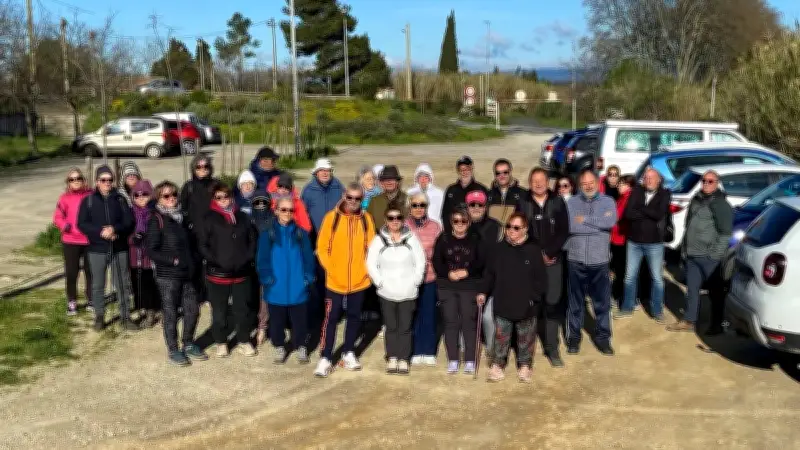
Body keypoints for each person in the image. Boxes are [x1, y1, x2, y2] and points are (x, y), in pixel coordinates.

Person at [314, 183, 377, 377]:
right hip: (335, 281)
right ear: (343, 195)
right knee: (331, 318)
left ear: (362, 199)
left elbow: (372, 248)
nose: (353, 201)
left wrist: (366, 271)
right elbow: (322, 247)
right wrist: (331, 269)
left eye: (357, 198)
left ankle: (348, 352)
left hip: (359, 281)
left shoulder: (366, 219)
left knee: (354, 317)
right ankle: (325, 357)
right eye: (350, 197)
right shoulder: (331, 218)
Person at [478, 213, 547, 383]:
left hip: (526, 305)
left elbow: (541, 279)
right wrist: (483, 292)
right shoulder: (498, 249)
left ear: (525, 229)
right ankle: (498, 365)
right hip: (503, 302)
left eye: (516, 228)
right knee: (501, 337)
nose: (511, 231)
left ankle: (525, 365)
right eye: (508, 226)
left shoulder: (533, 250)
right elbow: (489, 274)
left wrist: (533, 298)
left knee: (526, 338)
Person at [146, 181, 207, 366]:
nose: (171, 198)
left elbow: (193, 244)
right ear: (159, 198)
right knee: (171, 312)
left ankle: (188, 342)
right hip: (168, 276)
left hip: (188, 273)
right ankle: (173, 349)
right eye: (166, 196)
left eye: (174, 194)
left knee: (192, 310)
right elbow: (151, 250)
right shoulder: (157, 219)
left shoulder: (183, 217)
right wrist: (173, 260)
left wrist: (195, 261)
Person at [667, 170, 732, 335]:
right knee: (692, 290)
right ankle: (689, 320)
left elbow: (725, 233)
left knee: (715, 293)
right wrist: (684, 248)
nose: (706, 184)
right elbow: (688, 225)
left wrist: (715, 255)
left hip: (709, 257)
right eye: (704, 180)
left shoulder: (721, 204)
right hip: (692, 255)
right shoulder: (696, 199)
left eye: (710, 181)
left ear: (717, 183)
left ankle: (717, 324)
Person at [198, 182, 258, 358]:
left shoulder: (243, 217)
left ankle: (243, 340)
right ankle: (221, 341)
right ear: (214, 199)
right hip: (218, 273)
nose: (223, 200)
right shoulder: (208, 218)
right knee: (220, 311)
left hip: (241, 272)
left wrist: (247, 258)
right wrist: (216, 261)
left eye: (226, 196)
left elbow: (252, 240)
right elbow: (202, 245)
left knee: (242, 309)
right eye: (219, 197)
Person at [77, 165, 137, 331]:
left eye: (110, 180)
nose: (107, 183)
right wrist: (100, 232)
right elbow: (82, 224)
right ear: (97, 181)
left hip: (119, 247)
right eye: (103, 180)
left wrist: (115, 229)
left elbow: (129, 222)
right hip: (97, 249)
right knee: (98, 284)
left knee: (122, 283)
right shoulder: (88, 201)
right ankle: (99, 316)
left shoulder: (120, 199)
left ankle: (125, 317)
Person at [367, 205, 426, 375]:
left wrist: (415, 281)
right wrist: (380, 282)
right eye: (391, 218)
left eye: (398, 218)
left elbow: (420, 261)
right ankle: (392, 356)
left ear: (403, 220)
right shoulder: (379, 240)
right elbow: (371, 263)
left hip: (407, 292)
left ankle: (403, 358)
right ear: (386, 220)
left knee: (405, 327)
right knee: (391, 326)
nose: (395, 221)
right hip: (387, 292)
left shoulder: (412, 238)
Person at [520, 167, 570, 368]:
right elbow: (520, 231)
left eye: (541, 180)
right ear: (529, 183)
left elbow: (564, 230)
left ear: (548, 182)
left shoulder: (557, 202)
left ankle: (552, 347)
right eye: (534, 181)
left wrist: (549, 253)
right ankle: (526, 349)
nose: (538, 184)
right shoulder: (523, 202)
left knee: (552, 303)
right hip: (531, 264)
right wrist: (536, 255)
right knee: (530, 306)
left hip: (553, 261)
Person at [257, 197, 316, 364]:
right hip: (276, 287)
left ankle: (301, 345)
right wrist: (267, 279)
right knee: (277, 322)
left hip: (298, 287)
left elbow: (308, 259)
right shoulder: (268, 234)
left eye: (291, 210)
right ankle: (279, 346)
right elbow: (262, 260)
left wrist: (307, 278)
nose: (287, 213)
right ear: (276, 211)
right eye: (283, 209)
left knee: (300, 321)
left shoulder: (301, 234)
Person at [565, 169, 617, 355]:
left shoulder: (608, 201)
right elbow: (571, 225)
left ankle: (603, 338)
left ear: (597, 183)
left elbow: (610, 222)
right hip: (576, 259)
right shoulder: (571, 202)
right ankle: (574, 338)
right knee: (575, 303)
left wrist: (585, 219)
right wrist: (597, 224)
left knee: (602, 303)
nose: (588, 186)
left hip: (599, 260)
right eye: (584, 183)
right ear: (579, 185)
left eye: (591, 182)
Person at [432, 208, 485, 375]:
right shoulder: (443, 238)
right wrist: (448, 273)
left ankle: (470, 359)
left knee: (469, 323)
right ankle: (453, 359)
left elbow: (481, 262)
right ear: (451, 222)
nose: (459, 224)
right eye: (456, 221)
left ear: (468, 223)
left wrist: (467, 272)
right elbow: (437, 261)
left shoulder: (476, 239)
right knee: (450, 322)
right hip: (447, 286)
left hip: (469, 286)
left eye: (463, 221)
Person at [616, 169, 671, 321]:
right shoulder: (637, 191)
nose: (648, 180)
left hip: (655, 243)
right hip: (634, 242)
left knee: (657, 278)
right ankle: (627, 307)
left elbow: (659, 214)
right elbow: (628, 214)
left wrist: (640, 208)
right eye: (646, 178)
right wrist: (648, 212)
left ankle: (657, 310)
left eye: (651, 178)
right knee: (630, 277)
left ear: (659, 180)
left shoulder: (665, 194)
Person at [406, 192, 442, 366]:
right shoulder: (404, 226)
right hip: (409, 278)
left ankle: (428, 350)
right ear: (409, 207)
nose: (419, 208)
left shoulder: (435, 226)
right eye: (415, 205)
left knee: (429, 314)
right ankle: (415, 349)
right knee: (413, 314)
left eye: (422, 205)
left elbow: (439, 253)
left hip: (429, 277)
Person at [53, 167, 93, 315]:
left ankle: (91, 299)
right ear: (68, 182)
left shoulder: (91, 195)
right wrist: (66, 226)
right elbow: (57, 217)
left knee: (91, 272)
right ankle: (72, 301)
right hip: (70, 240)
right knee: (71, 272)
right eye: (72, 179)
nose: (76, 181)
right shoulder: (64, 198)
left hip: (89, 240)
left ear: (83, 180)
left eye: (78, 178)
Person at [129, 179, 160, 328]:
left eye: (145, 194)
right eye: (137, 195)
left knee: (150, 284)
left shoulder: (155, 212)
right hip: (134, 254)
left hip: (149, 256)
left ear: (151, 195)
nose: (141, 197)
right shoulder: (130, 213)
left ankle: (151, 311)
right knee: (137, 283)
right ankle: (141, 307)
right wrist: (132, 238)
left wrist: (147, 237)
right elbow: (124, 230)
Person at [442, 156, 488, 235]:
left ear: (472, 169)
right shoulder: (451, 190)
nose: (464, 172)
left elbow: (487, 214)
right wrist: (449, 233)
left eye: (467, 169)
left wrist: (480, 233)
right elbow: (445, 214)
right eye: (462, 170)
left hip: (476, 234)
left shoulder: (481, 189)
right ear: (458, 171)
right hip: (455, 234)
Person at [250, 190, 273, 346]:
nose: (260, 205)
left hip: (267, 264)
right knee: (251, 296)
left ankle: (262, 327)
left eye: (263, 202)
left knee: (264, 297)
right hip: (249, 263)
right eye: (257, 202)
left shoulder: (274, 221)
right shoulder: (247, 220)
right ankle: (252, 323)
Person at [302, 158, 344, 236]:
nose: (325, 173)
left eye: (327, 170)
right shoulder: (308, 190)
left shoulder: (339, 187)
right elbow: (303, 213)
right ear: (316, 173)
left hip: (336, 234)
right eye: (321, 170)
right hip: (315, 235)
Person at [609, 175, 635, 304]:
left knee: (621, 269)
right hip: (616, 238)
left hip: (623, 239)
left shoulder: (629, 198)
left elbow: (617, 215)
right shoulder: (621, 197)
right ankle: (616, 293)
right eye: (619, 184)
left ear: (629, 186)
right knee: (617, 268)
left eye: (622, 184)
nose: (619, 186)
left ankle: (618, 295)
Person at [181, 155, 217, 234]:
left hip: (215, 229)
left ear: (210, 168)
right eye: (198, 167)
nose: (202, 169)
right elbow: (183, 208)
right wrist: (189, 223)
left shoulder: (216, 184)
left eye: (206, 166)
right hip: (195, 231)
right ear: (194, 169)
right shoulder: (188, 186)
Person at [367, 165, 408, 230]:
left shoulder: (408, 200)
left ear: (397, 182)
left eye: (392, 179)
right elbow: (367, 224)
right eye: (385, 179)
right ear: (382, 183)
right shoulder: (374, 201)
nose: (389, 182)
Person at [487, 158, 524, 224]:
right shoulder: (488, 195)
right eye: (498, 173)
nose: (502, 176)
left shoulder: (523, 194)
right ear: (494, 174)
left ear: (510, 172)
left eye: (505, 172)